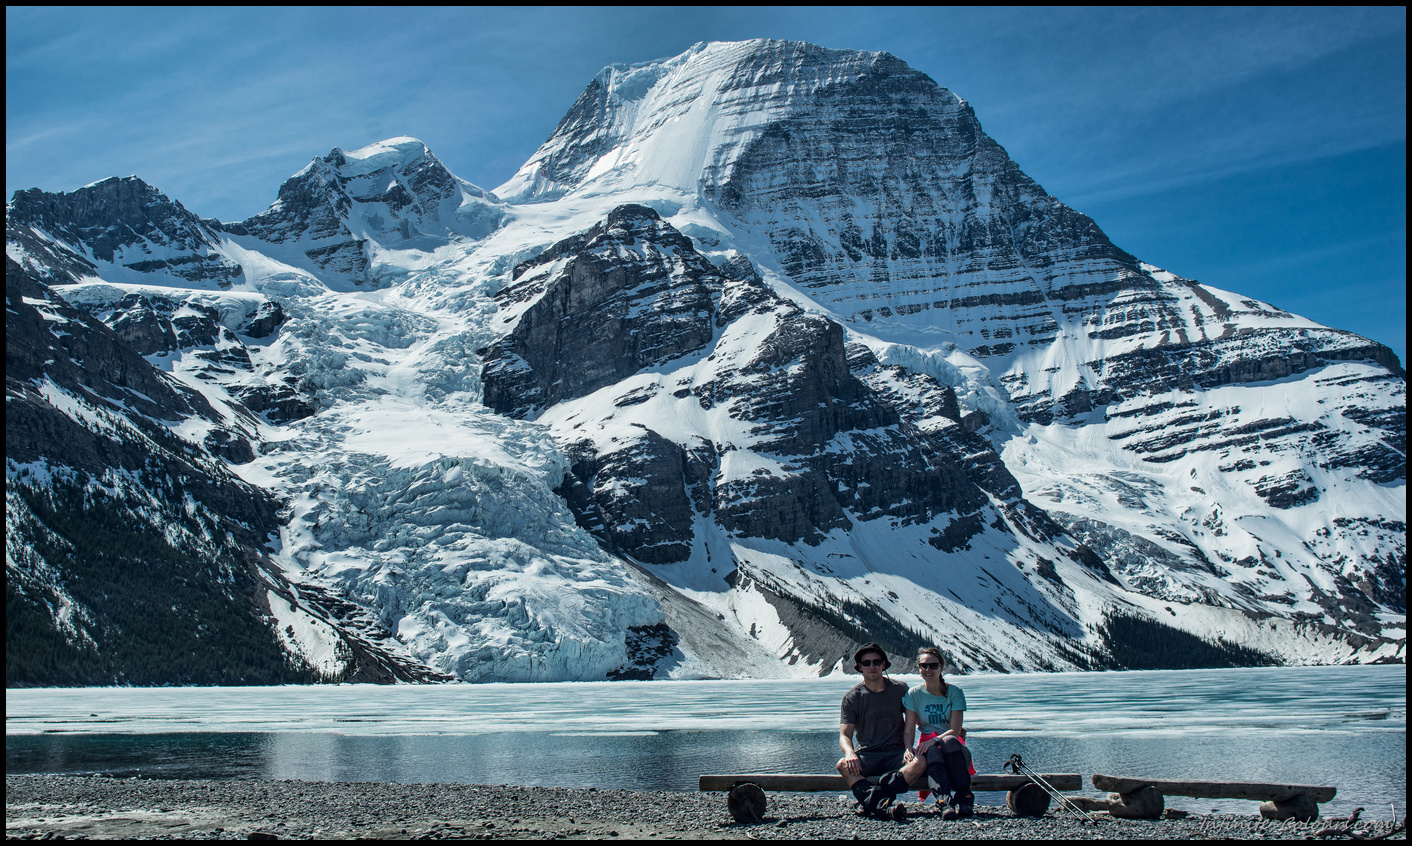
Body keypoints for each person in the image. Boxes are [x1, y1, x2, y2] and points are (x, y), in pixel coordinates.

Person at [835, 642, 917, 816]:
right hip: (867, 755)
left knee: (920, 762)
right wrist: (850, 753)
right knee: (842, 764)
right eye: (867, 663)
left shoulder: (900, 689)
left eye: (876, 662)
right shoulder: (852, 697)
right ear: (859, 667)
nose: (872, 666)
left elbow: (913, 721)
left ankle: (872, 802)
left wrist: (948, 728)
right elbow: (845, 735)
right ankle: (882, 803)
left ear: (884, 665)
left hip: (896, 754)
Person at [902, 646, 974, 819]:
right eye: (923, 666)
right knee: (932, 752)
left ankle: (964, 798)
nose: (928, 670)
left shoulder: (954, 693)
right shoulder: (913, 694)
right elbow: (909, 728)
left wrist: (934, 740)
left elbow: (955, 731)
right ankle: (945, 802)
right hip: (928, 745)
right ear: (918, 668)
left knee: (947, 742)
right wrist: (908, 748)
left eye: (933, 666)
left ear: (941, 667)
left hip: (953, 745)